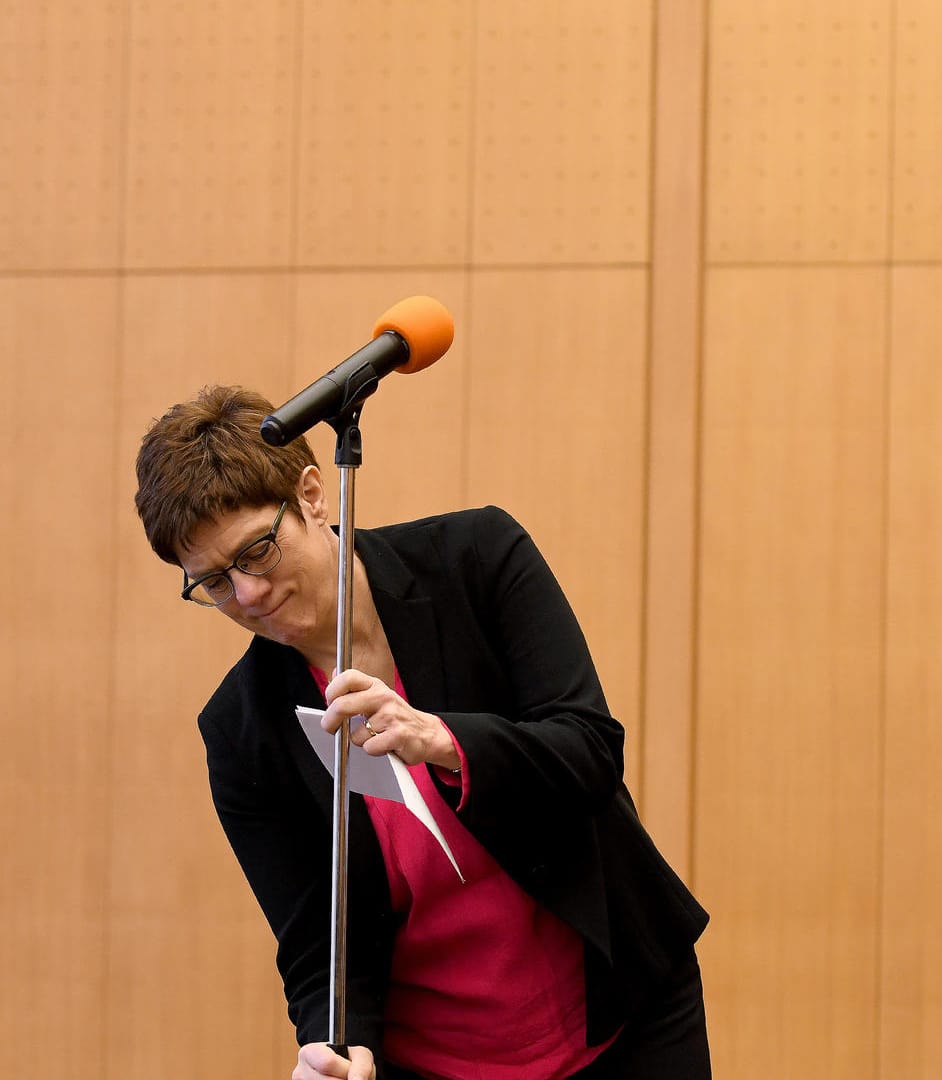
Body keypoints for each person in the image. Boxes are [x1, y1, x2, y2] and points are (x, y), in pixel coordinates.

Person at [134, 385, 710, 1080]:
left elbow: (589, 749)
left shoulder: (476, 559)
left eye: (256, 551)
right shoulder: (241, 730)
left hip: (625, 1011)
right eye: (214, 583)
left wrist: (440, 739)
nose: (247, 596)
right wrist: (335, 1045)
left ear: (312, 494)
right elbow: (318, 940)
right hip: (439, 1058)